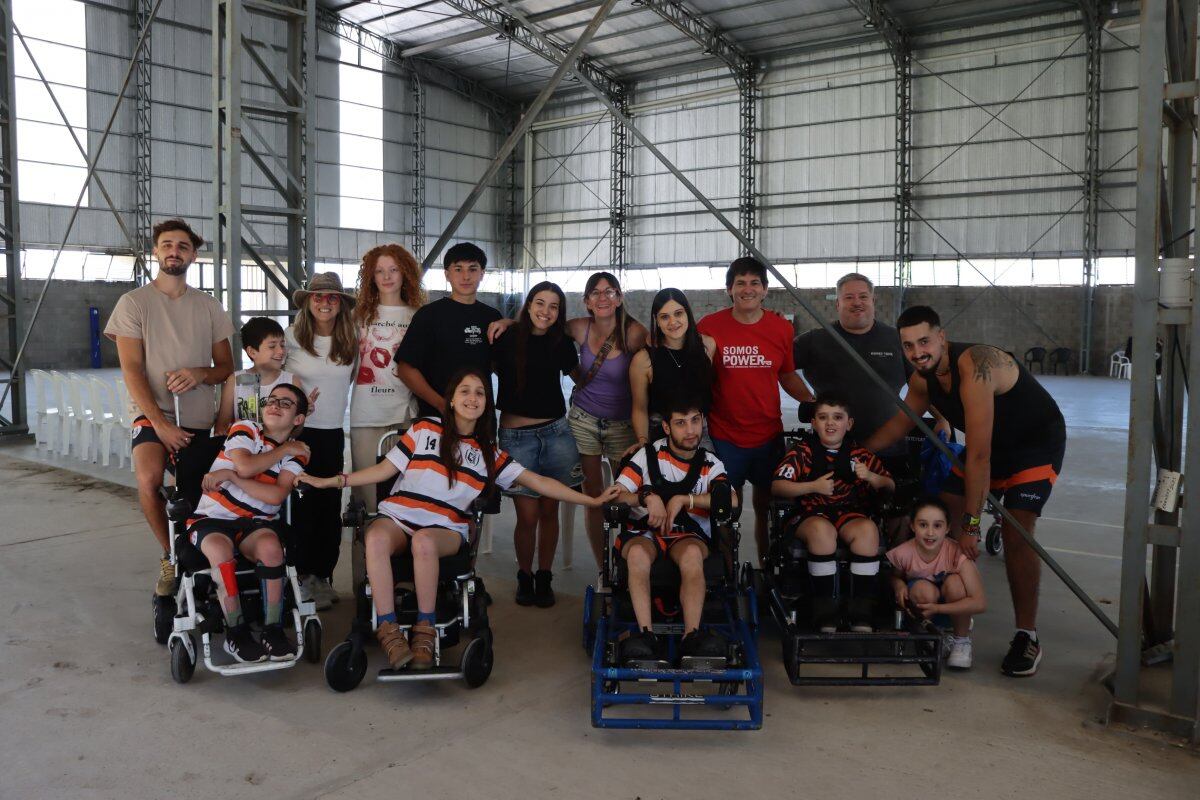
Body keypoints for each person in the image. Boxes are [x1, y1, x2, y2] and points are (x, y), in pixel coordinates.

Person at [298, 368, 616, 669]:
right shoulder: (424, 429)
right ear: (451, 398)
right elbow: (382, 471)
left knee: (423, 542)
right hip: (399, 516)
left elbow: (540, 482)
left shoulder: (488, 454)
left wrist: (591, 498)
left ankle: (425, 630)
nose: (472, 397)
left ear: (485, 404)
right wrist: (332, 481)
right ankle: (389, 631)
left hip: (444, 528)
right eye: (465, 390)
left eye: (479, 393)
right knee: (375, 536)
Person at [866, 305, 1067, 677]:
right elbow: (899, 424)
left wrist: (973, 524)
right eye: (908, 346)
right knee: (940, 517)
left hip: (1032, 446)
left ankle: (1028, 635)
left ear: (942, 337)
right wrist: (855, 452)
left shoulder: (973, 365)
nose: (917, 352)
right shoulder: (923, 379)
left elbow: (978, 455)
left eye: (924, 341)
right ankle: (954, 613)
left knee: (1016, 530)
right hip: (989, 449)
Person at [104, 218, 234, 600]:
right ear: (156, 251)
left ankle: (203, 552)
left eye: (182, 245)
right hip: (154, 413)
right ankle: (170, 555)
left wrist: (199, 374)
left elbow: (225, 367)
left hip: (198, 416)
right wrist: (159, 424)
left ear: (193, 254)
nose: (174, 251)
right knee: (148, 479)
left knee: (196, 491)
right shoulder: (133, 303)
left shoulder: (209, 306)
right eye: (166, 244)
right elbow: (131, 368)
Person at [489, 271, 649, 572]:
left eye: (610, 291)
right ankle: (544, 574)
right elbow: (531, 332)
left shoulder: (623, 334)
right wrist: (510, 321)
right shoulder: (530, 335)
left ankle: (623, 564)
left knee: (618, 499)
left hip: (585, 429)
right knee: (550, 509)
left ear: (620, 297)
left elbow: (579, 373)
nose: (603, 297)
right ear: (586, 301)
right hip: (548, 429)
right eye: (596, 293)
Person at [697, 257, 812, 563]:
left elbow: (786, 375)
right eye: (740, 283)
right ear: (729, 290)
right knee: (723, 508)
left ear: (765, 290)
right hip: (724, 436)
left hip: (767, 436)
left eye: (754, 283)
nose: (747, 289)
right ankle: (726, 571)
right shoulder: (709, 326)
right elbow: (694, 373)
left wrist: (815, 404)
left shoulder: (781, 329)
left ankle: (766, 567)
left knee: (767, 508)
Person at [187, 384, 311, 663]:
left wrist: (230, 477)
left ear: (298, 419)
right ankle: (237, 632)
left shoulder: (300, 452)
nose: (275, 405)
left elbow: (276, 495)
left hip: (256, 523)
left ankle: (272, 630)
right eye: (272, 399)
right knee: (219, 551)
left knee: (271, 548)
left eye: (286, 403)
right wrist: (281, 451)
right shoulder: (246, 428)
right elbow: (245, 465)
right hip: (212, 518)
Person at [610, 396, 735, 665]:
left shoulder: (710, 462)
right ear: (666, 427)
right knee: (636, 555)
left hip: (687, 536)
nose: (690, 430)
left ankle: (692, 636)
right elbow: (615, 496)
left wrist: (685, 500)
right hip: (646, 533)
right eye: (681, 423)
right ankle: (646, 636)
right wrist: (646, 497)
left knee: (691, 553)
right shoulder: (647, 456)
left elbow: (731, 500)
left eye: (695, 421)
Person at [792, 272, 948, 475]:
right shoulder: (813, 340)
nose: (857, 302)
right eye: (849, 297)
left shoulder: (897, 339)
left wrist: (942, 417)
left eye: (863, 296)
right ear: (837, 304)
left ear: (873, 300)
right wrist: (807, 398)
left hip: (889, 449)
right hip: (830, 448)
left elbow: (922, 383)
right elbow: (777, 367)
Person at [491, 281, 581, 607]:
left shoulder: (561, 342)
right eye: (540, 303)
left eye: (553, 306)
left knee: (549, 512)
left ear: (560, 313)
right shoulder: (506, 339)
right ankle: (524, 575)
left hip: (557, 434)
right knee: (526, 516)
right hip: (517, 439)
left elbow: (581, 380)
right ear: (528, 305)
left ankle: (544, 576)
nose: (546, 311)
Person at [771, 394, 893, 632]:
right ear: (814, 423)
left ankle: (861, 612)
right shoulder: (802, 452)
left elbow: (890, 486)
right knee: (822, 533)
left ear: (849, 424)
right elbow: (777, 485)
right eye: (823, 417)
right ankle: (825, 611)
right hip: (809, 513)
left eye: (837, 418)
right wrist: (812, 486)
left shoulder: (861, 455)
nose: (830, 423)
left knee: (868, 531)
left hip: (850, 513)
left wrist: (871, 477)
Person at [284, 272, 358, 610]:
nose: (325, 302)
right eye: (318, 297)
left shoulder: (351, 339)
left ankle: (323, 575)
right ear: (308, 302)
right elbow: (273, 379)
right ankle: (300, 574)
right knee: (299, 505)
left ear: (340, 303)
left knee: (329, 506)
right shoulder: (291, 339)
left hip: (330, 433)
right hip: (297, 433)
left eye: (332, 297)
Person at [349, 244, 425, 514]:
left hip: (406, 415)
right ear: (371, 277)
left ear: (405, 274)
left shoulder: (418, 316)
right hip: (366, 416)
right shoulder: (358, 317)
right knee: (367, 502)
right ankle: (365, 556)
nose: (387, 276)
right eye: (379, 271)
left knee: (403, 496)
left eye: (393, 269)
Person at [395, 242, 501, 418]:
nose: (466, 276)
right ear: (447, 274)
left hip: (480, 420)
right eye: (458, 269)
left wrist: (510, 323)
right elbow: (406, 369)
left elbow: (497, 363)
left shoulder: (492, 317)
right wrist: (440, 404)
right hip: (437, 420)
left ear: (482, 274)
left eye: (473, 269)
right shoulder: (429, 315)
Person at [887, 496, 986, 670]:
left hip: (951, 608)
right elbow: (894, 576)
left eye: (937, 526)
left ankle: (960, 641)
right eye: (923, 525)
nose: (930, 533)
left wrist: (938, 609)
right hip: (924, 608)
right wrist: (899, 585)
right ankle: (929, 637)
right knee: (922, 589)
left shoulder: (958, 553)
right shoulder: (903, 553)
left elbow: (980, 603)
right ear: (912, 526)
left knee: (955, 583)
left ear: (947, 528)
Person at [626, 287, 714, 457]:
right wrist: (643, 441)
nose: (673, 322)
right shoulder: (643, 361)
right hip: (661, 433)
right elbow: (640, 408)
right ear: (656, 321)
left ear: (687, 313)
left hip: (699, 432)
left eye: (678, 313)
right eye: (664, 317)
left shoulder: (707, 347)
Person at [215, 316, 295, 435]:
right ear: (252, 352)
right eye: (272, 346)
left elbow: (295, 430)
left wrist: (304, 411)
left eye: (282, 345)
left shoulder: (292, 381)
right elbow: (221, 427)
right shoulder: (235, 381)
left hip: (279, 450)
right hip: (243, 450)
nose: (281, 351)